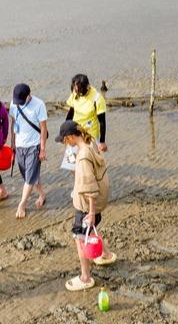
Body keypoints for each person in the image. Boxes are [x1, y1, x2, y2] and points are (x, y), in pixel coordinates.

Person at [58, 121, 115, 291]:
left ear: (70, 138)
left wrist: (90, 213)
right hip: (98, 201)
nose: (65, 143)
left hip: (86, 206)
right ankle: (106, 254)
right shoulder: (90, 143)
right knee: (91, 229)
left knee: (80, 237)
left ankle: (85, 277)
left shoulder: (82, 158)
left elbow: (90, 189)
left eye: (64, 140)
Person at [10, 83, 49, 219]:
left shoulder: (39, 105)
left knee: (30, 177)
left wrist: (42, 149)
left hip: (34, 145)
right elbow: (13, 123)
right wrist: (12, 145)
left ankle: (22, 204)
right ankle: (42, 194)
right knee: (28, 176)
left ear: (29, 95)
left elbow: (43, 128)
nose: (18, 103)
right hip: (19, 146)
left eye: (22, 100)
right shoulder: (14, 103)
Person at [64, 74, 108, 171]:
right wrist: (64, 131)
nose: (76, 92)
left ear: (87, 87)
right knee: (71, 165)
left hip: (89, 135)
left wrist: (102, 141)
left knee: (91, 165)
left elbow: (102, 121)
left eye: (79, 90)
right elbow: (70, 113)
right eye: (75, 89)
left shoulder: (97, 98)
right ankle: (79, 182)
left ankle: (93, 184)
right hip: (74, 133)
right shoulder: (75, 93)